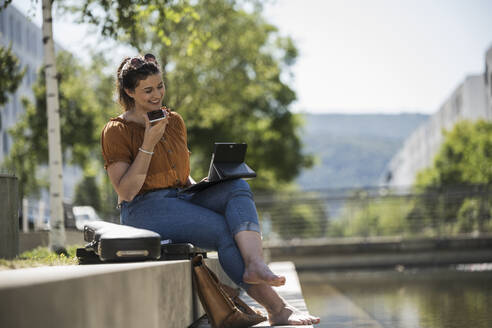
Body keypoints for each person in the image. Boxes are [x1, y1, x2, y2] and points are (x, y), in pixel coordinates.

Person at [101, 54, 320, 326]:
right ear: (130, 92)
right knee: (222, 230)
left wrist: (204, 188)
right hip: (143, 210)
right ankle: (278, 308)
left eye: (160, 86)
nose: (157, 94)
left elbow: (178, 175)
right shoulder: (116, 131)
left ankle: (255, 263)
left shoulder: (174, 121)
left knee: (236, 185)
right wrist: (148, 143)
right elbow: (126, 192)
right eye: (148, 90)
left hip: (180, 196)